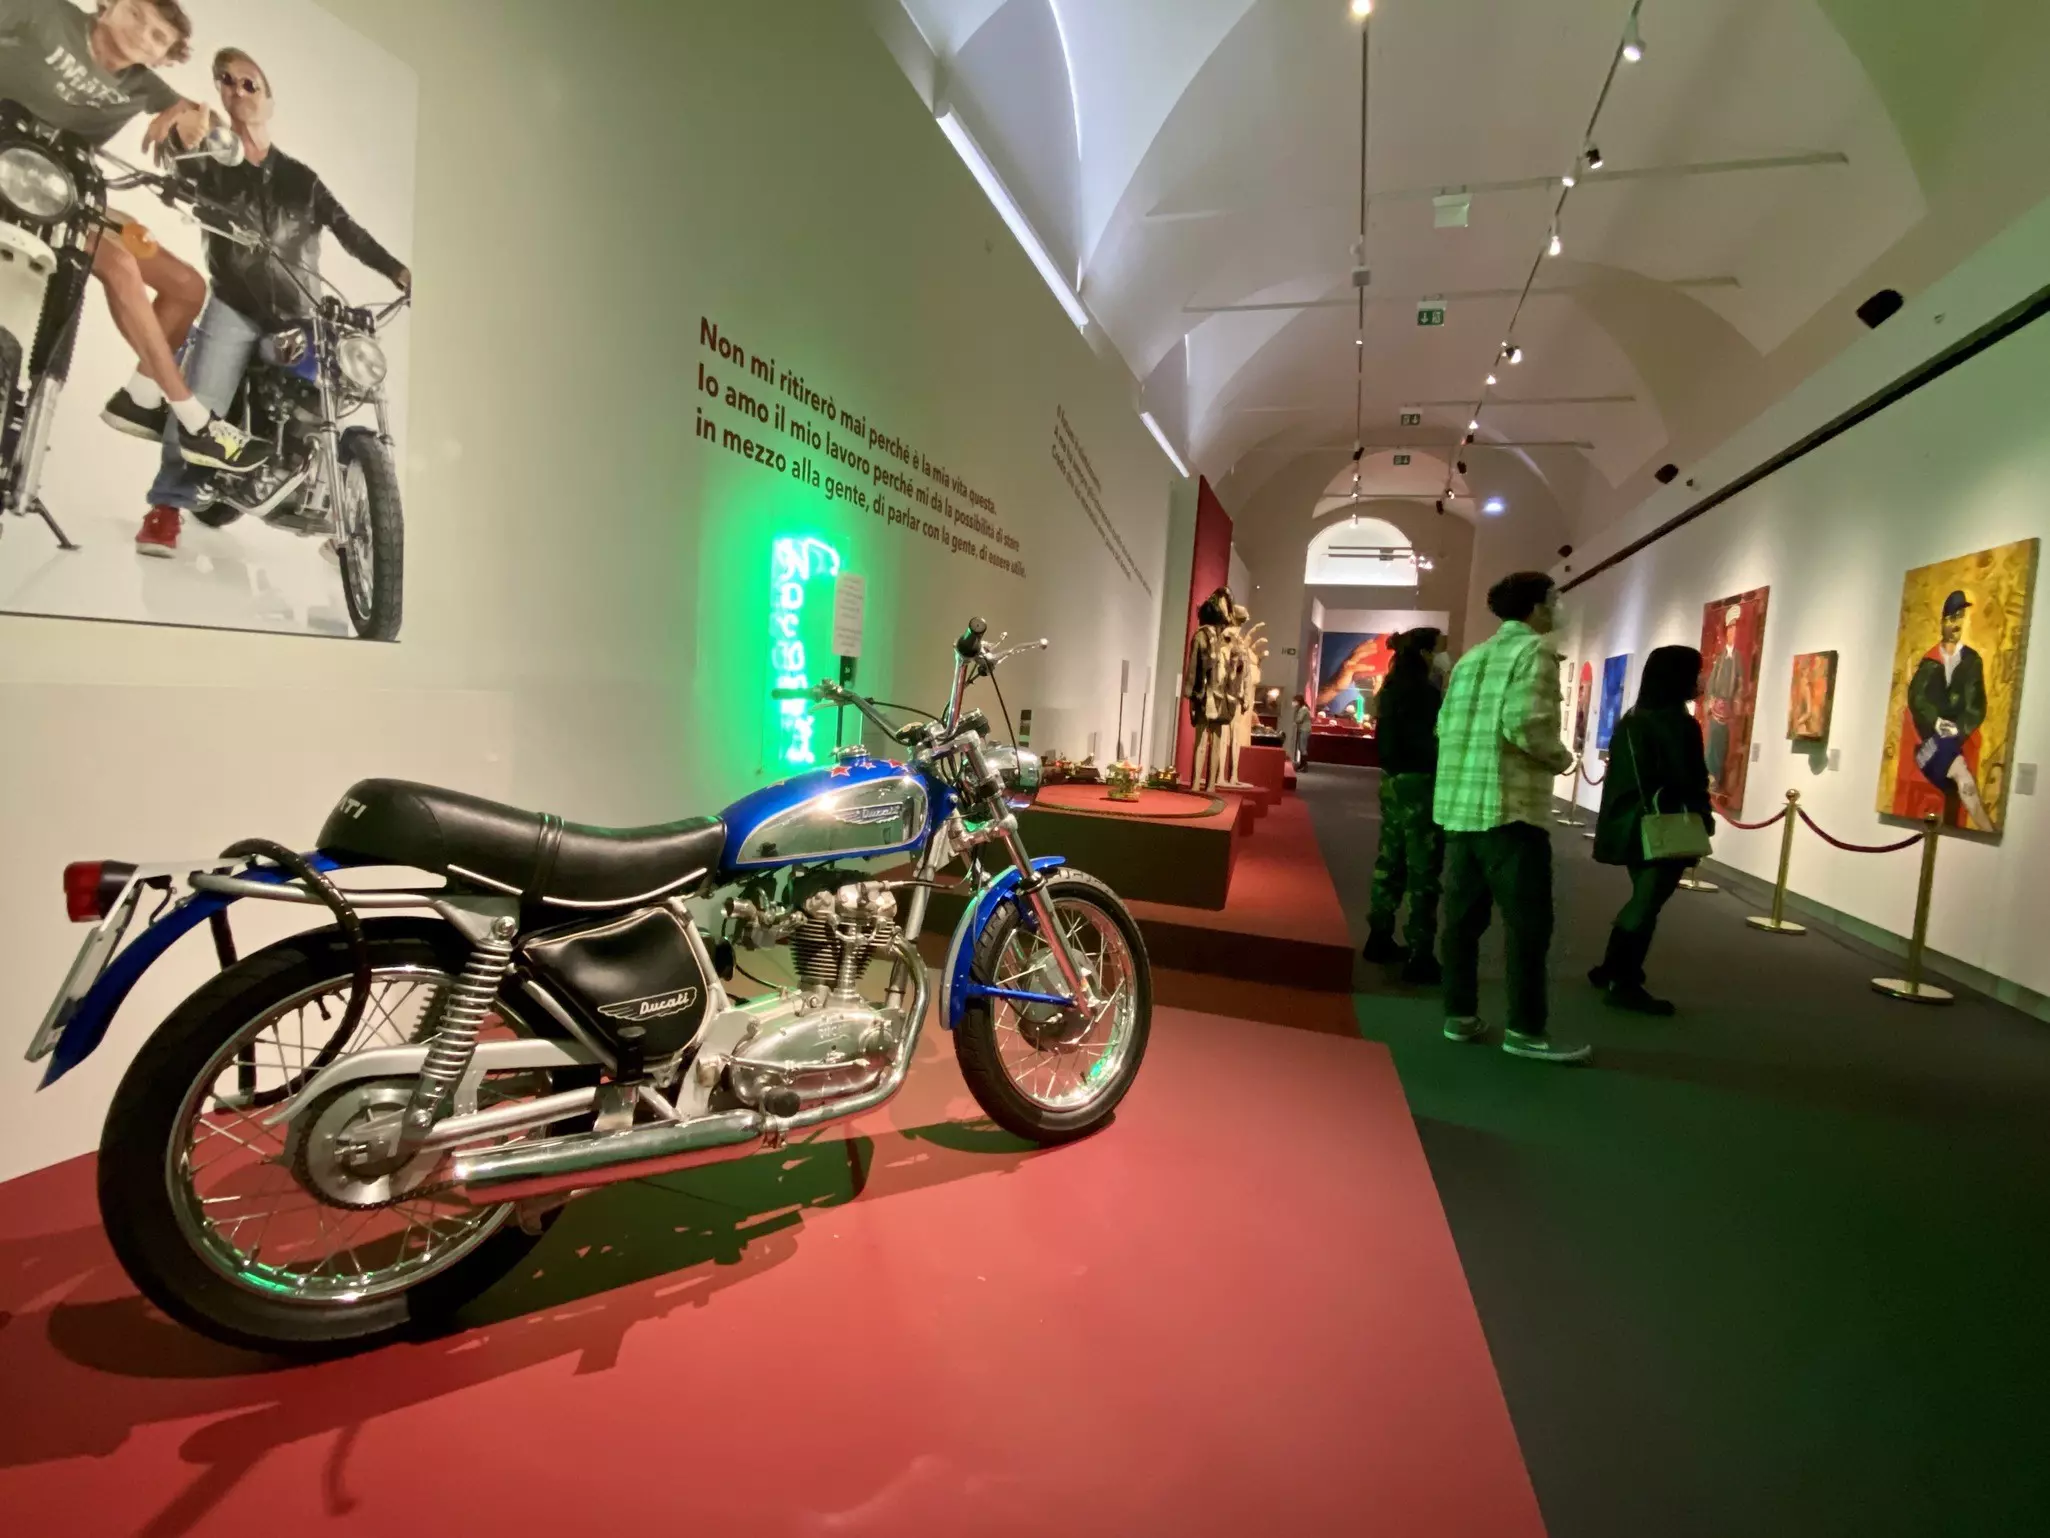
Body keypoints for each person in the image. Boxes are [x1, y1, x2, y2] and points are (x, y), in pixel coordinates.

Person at [135, 44, 412, 555]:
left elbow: (350, 232)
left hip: (300, 311)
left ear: (269, 101)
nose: (235, 90)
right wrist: (178, 122)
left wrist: (399, 271)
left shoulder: (301, 179)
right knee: (203, 404)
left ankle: (343, 516)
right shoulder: (209, 163)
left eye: (248, 83)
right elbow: (176, 176)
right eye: (226, 81)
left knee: (330, 394)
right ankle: (167, 505)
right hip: (235, 305)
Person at [0, 0, 270, 475]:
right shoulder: (44, 14)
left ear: (165, 57)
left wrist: (190, 121)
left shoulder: (143, 84)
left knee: (184, 284)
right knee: (123, 264)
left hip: (60, 193)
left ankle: (146, 403)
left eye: (159, 37)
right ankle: (193, 418)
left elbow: (201, 129)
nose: (144, 33)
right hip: (10, 161)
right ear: (107, 5)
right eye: (136, 14)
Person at [1434, 572, 1590, 1063]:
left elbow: (1444, 727)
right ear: (1537, 607)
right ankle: (1525, 1030)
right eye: (1555, 598)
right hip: (1511, 811)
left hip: (1460, 811)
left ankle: (1459, 1015)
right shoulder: (1536, 654)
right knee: (1527, 927)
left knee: (1460, 922)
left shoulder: (1469, 659)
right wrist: (1562, 758)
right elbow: (1526, 723)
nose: (1559, 607)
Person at [1589, 645, 1713, 1014]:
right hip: (1664, 824)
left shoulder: (1632, 719)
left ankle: (1613, 967)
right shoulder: (1678, 724)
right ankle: (1622, 982)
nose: (1699, 680)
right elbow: (1686, 779)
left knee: (1643, 896)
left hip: (1631, 823)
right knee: (1647, 901)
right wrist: (1703, 815)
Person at [1362, 627, 1445, 984]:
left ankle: (1379, 936)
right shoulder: (1426, 693)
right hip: (1421, 785)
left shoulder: (1391, 689)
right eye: (1438, 649)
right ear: (1425, 653)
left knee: (1390, 861)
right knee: (1423, 870)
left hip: (1391, 783)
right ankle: (1420, 953)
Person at [1889, 589, 1993, 830]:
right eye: (1950, 618)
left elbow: (1977, 707)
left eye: (1959, 617)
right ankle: (1986, 826)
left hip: (1957, 739)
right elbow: (1917, 700)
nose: (1955, 624)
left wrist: (1957, 730)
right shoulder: (1929, 662)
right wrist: (1937, 723)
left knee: (1961, 772)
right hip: (1928, 742)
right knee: (1959, 772)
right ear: (1942, 622)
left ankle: (1985, 827)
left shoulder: (1972, 661)